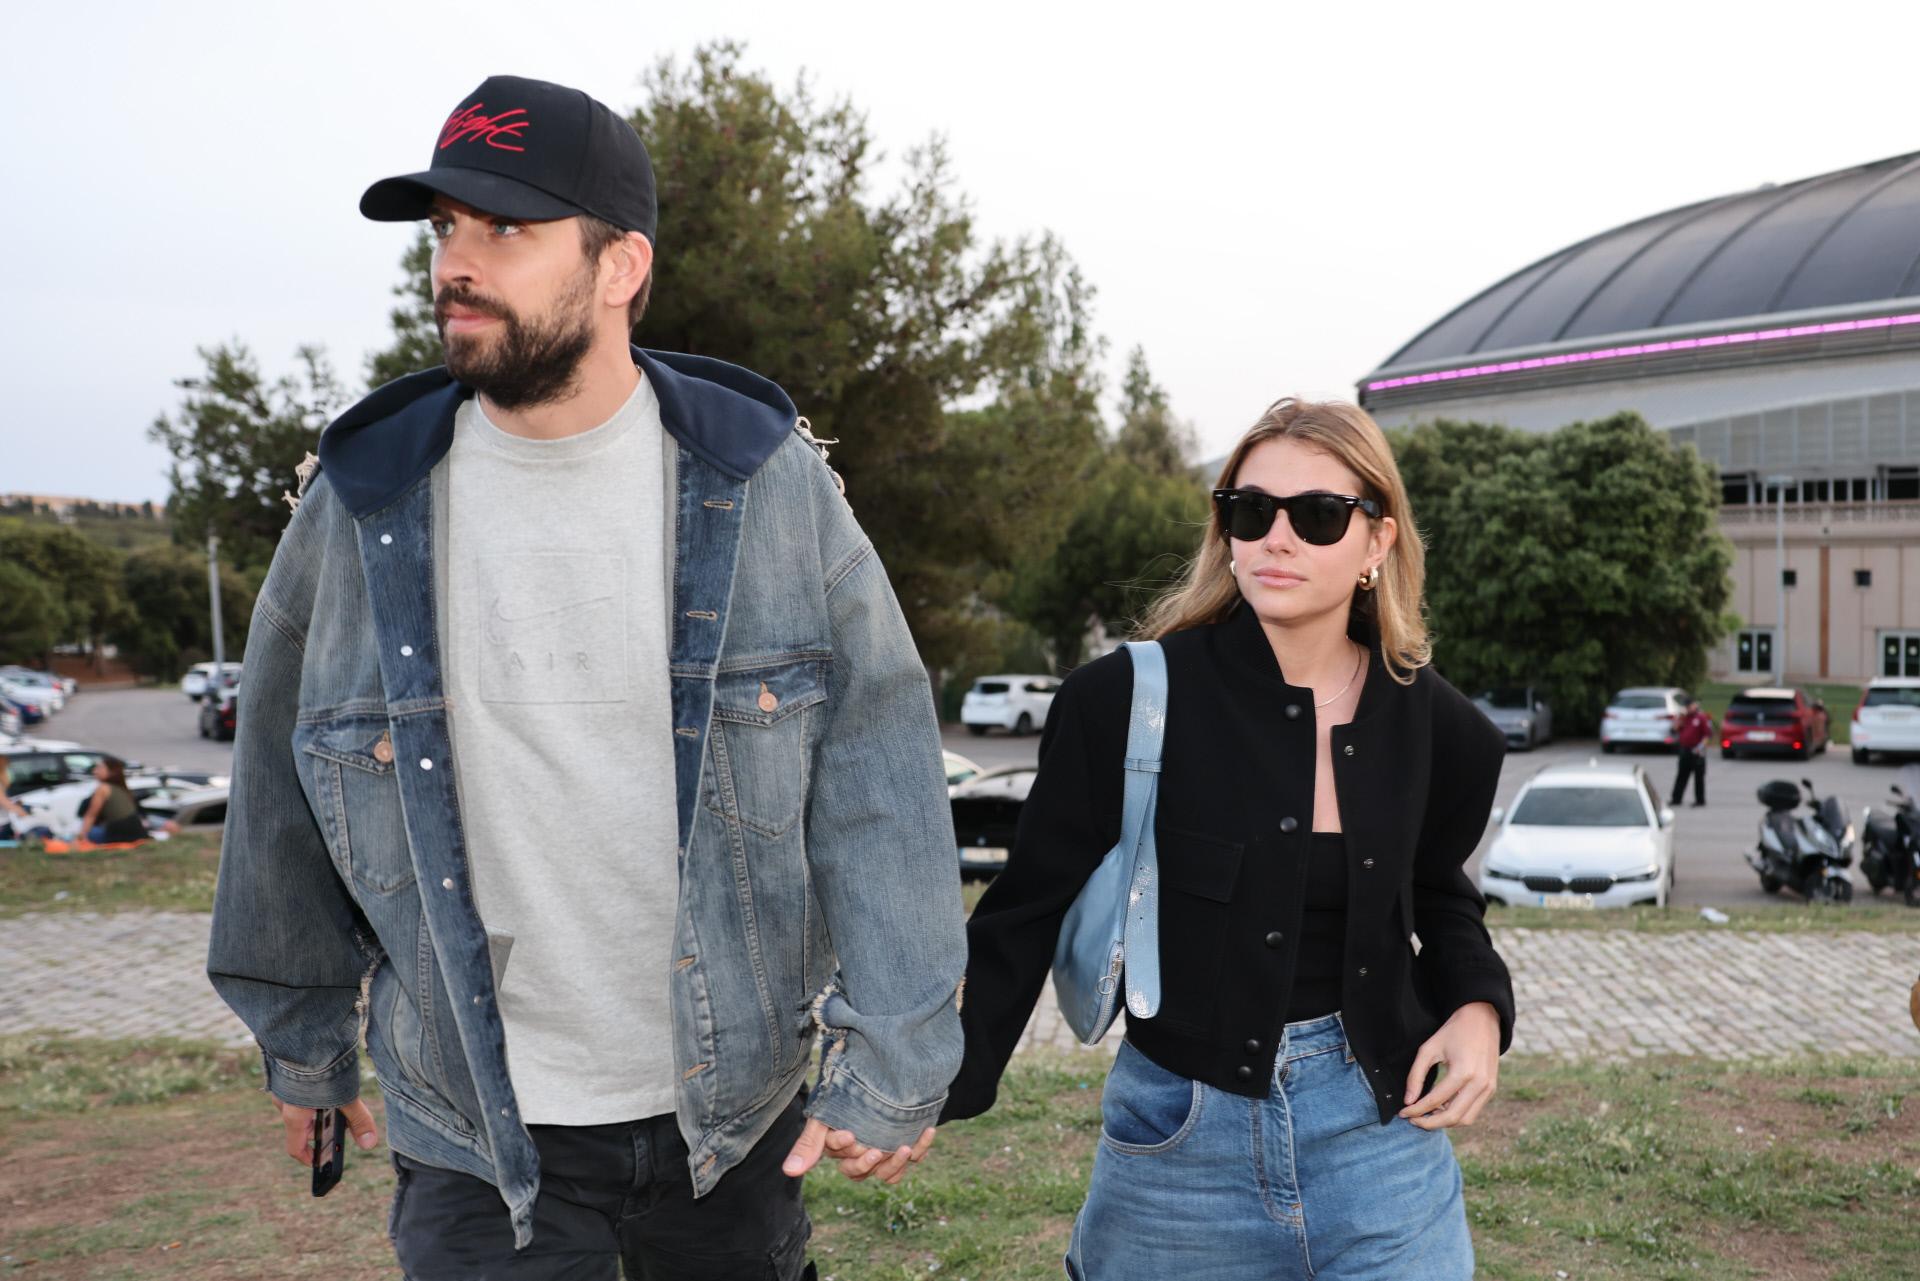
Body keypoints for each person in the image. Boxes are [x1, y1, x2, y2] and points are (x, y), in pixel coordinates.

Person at [206, 75, 964, 1280]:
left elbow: (877, 775)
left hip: (730, 1119)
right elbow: (279, 785)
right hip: (472, 1126)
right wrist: (303, 1041)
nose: (457, 264)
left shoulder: (763, 484)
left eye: (506, 229)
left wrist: (899, 1049)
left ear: (621, 267)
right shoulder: (362, 503)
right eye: (446, 228)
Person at [943, 398, 1516, 1280]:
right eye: (1251, 511)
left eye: (1317, 514)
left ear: (1378, 541)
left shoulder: (1445, 729)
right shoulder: (1118, 701)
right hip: (1176, 1147)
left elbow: (1439, 894)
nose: (1277, 538)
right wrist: (925, 1086)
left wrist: (1478, 1008)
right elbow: (1024, 912)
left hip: (1380, 1141)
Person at [77, 758, 146, 845]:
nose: (95, 771)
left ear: (111, 772)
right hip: (136, 831)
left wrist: (80, 837)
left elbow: (91, 815)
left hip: (119, 834)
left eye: (99, 768)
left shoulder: (103, 788)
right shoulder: (122, 788)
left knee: (92, 832)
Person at [1672, 697, 1712, 806]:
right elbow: (1675, 729)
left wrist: (1700, 747)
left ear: (1695, 705)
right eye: (1687, 706)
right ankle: (1676, 799)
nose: (1688, 708)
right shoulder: (1684, 718)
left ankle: (1700, 800)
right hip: (1685, 750)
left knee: (1699, 777)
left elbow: (1707, 735)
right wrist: (1679, 719)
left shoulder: (1701, 717)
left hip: (1697, 751)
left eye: (1690, 706)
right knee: (1681, 775)